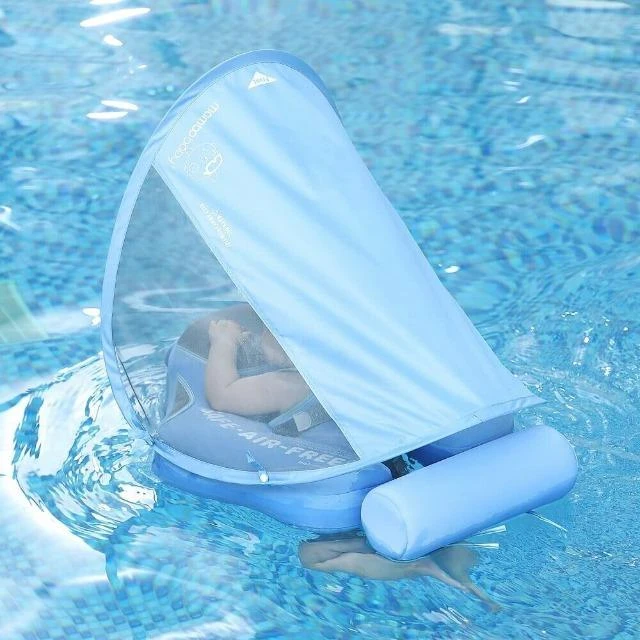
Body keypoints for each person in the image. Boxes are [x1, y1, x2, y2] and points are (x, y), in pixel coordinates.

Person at [206, 317, 499, 609]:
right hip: (398, 477)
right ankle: (455, 562)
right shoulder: (361, 375)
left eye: (266, 327)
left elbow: (222, 396)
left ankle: (415, 567)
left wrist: (224, 341)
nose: (259, 334)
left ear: (288, 344)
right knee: (425, 535)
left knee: (312, 555)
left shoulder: (288, 384)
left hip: (354, 496)